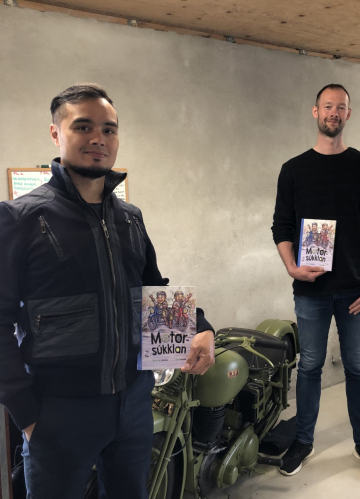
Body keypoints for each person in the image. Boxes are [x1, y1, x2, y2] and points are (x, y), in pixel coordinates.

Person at [0, 84, 215, 498]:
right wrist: (26, 414)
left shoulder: (130, 218)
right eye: (83, 126)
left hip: (133, 404)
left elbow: (153, 289)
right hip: (59, 412)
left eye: (109, 129)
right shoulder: (19, 219)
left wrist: (201, 326)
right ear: (56, 133)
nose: (99, 138)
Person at [271, 84, 360, 480]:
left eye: (341, 107)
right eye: (327, 106)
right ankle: (303, 441)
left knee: (357, 366)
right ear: (315, 112)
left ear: (348, 114)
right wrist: (291, 267)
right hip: (311, 291)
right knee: (309, 366)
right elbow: (281, 226)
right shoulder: (293, 169)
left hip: (356, 289)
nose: (333, 112)